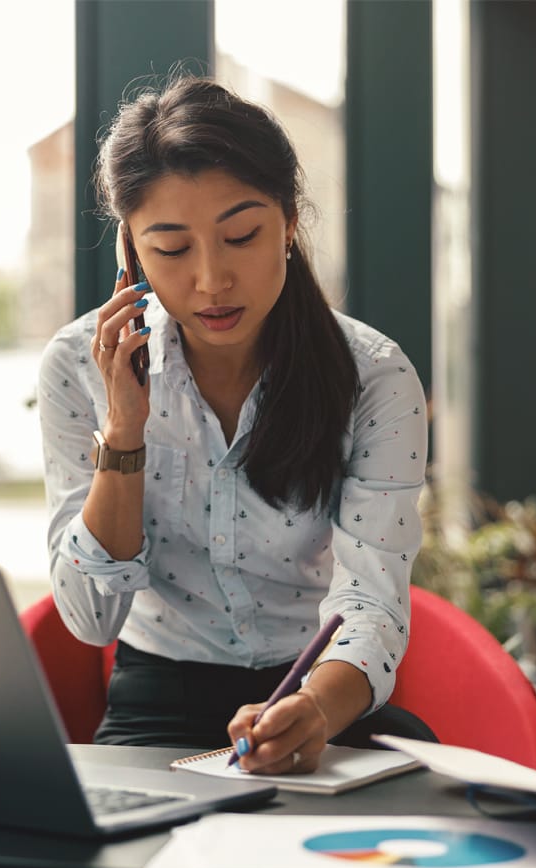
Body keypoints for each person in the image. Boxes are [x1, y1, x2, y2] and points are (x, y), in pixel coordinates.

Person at [38, 76, 427, 775]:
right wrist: (125, 432)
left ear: (288, 224)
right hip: (158, 698)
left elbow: (371, 597)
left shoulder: (375, 376)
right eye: (172, 249)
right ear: (130, 253)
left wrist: (312, 707)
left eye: (241, 236)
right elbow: (91, 620)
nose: (212, 280)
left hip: (323, 690)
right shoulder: (75, 367)